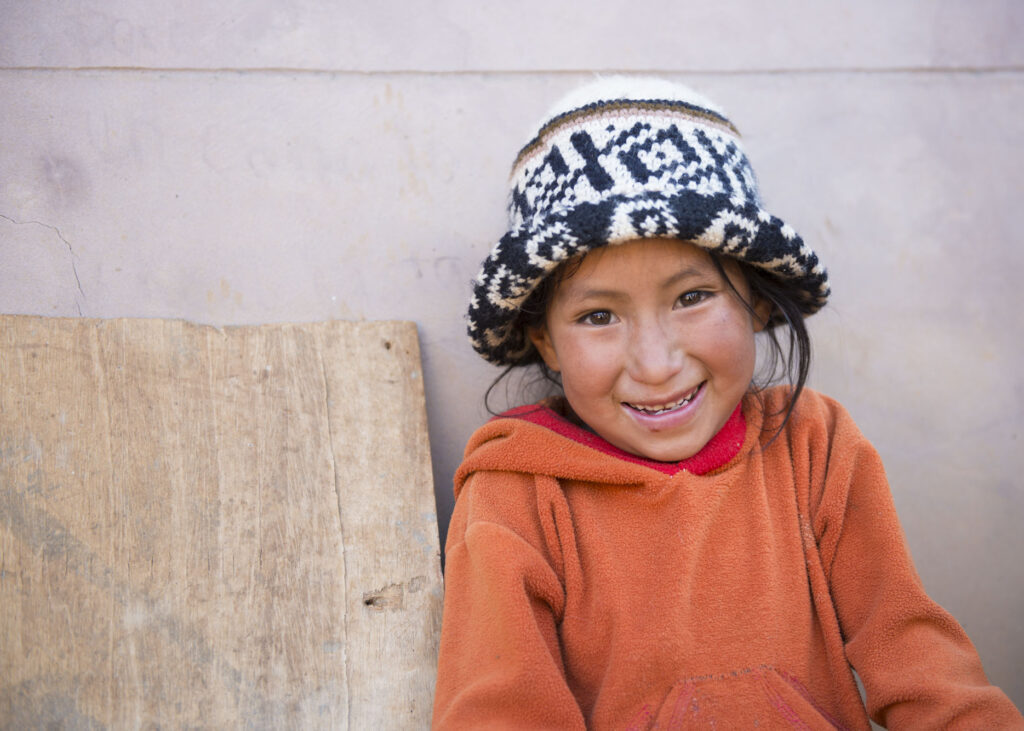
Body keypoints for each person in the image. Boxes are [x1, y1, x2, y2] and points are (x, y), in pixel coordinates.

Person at [432, 77, 1023, 729]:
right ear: (544, 339)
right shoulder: (516, 494)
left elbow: (921, 660)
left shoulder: (815, 449)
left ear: (759, 301)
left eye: (692, 297)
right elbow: (500, 711)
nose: (656, 364)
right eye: (599, 314)